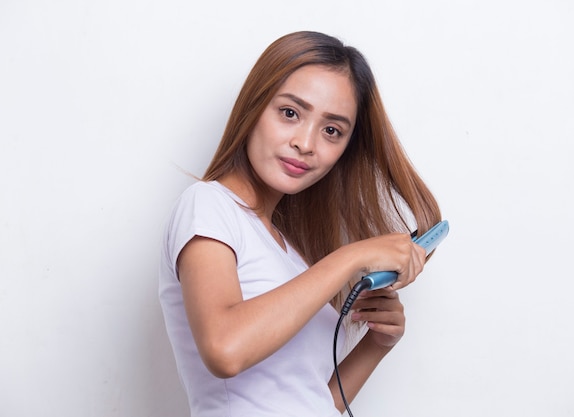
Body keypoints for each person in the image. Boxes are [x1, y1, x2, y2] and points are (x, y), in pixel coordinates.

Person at [159, 31, 441, 417]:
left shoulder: (288, 253)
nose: (306, 143)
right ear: (254, 107)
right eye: (290, 112)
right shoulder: (208, 206)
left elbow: (310, 402)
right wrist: (349, 258)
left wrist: (376, 346)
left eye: (331, 131)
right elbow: (225, 350)